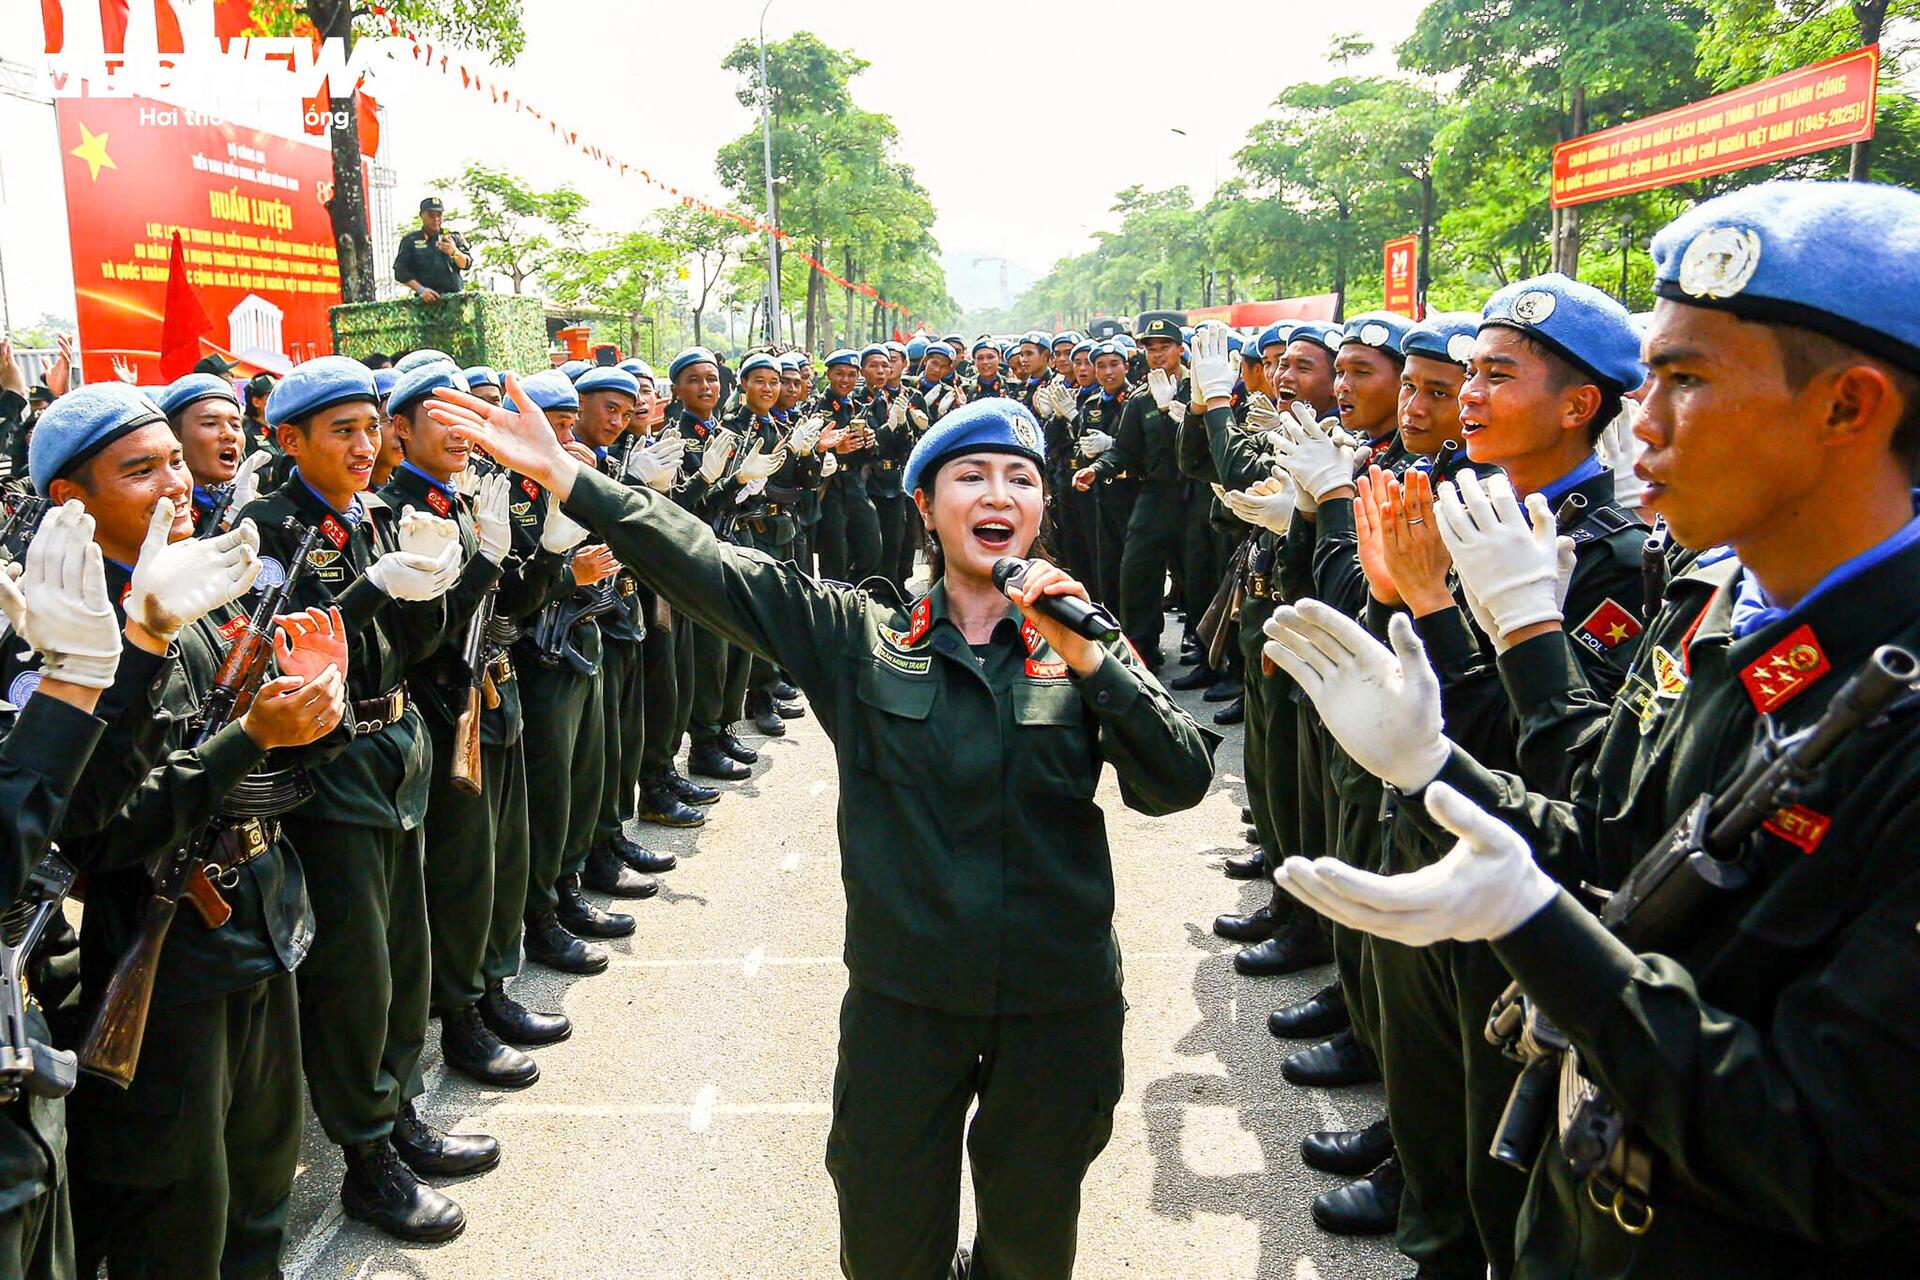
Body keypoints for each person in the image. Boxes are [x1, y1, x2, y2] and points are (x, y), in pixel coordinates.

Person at [1264, 178, 1920, 1278]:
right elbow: (1611, 834)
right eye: (1649, 377)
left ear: (1848, 408)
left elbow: (1829, 1151)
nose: (1643, 422)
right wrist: (1433, 765)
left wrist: (1541, 929)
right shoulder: (1720, 602)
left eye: (1686, 380)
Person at [425, 376, 1216, 1280]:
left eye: (1020, 479)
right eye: (970, 477)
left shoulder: (1081, 641)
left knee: (1031, 1247)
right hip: (905, 1002)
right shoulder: (859, 636)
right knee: (885, 1246)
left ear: (1041, 508)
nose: (998, 496)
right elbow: (709, 564)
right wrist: (573, 478)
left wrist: (1092, 658)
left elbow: (1178, 781)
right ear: (925, 507)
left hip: (1056, 1003)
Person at [237, 357, 489, 1243]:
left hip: (397, 746)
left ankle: (400, 1110)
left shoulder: (379, 516)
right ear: (289, 438)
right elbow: (281, 649)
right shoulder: (267, 529)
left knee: (405, 952)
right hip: (331, 764)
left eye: (369, 427)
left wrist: (443, 583)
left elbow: (419, 648)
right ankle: (366, 1155)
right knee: (357, 968)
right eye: (341, 430)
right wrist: (370, 588)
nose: (362, 444)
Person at [1073, 311, 1191, 669]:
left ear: (1180, 349)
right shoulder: (1141, 399)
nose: (1157, 354)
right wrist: (1095, 468)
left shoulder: (1199, 389)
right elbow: (1124, 449)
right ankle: (1141, 647)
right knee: (1136, 569)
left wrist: (1174, 412)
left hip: (1197, 492)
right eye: (1151, 348)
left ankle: (1208, 653)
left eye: (1165, 346)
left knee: (1199, 574)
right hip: (1157, 492)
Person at [394, 197, 471, 303]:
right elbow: (400, 272)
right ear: (421, 215)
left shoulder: (453, 238)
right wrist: (421, 290)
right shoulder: (411, 240)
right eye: (431, 215)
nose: (436, 219)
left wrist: (454, 252)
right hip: (426, 301)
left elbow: (467, 264)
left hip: (455, 300)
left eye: (439, 215)